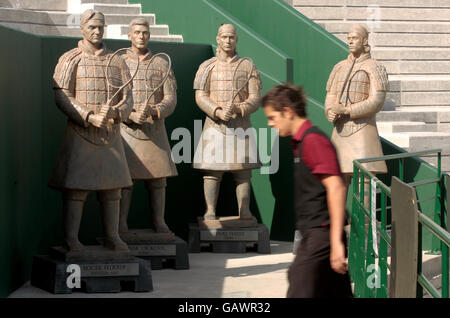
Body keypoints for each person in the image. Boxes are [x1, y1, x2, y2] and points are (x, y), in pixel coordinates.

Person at [49, 9, 133, 251]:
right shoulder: (70, 58)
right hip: (81, 132)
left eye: (100, 27)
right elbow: (62, 94)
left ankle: (112, 236)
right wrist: (87, 116)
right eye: (92, 27)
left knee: (113, 188)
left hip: (110, 134)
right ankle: (72, 239)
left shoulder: (117, 61)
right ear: (82, 28)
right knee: (77, 188)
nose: (97, 32)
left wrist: (117, 113)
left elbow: (128, 98)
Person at [262, 83, 353, 298]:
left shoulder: (313, 141)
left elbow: (336, 188)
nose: (270, 123)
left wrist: (336, 244)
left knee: (298, 286)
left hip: (321, 237)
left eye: (272, 117)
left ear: (287, 111)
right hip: (315, 235)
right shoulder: (300, 142)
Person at [193, 24, 261, 221]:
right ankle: (210, 211)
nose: (228, 40)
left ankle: (244, 211)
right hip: (215, 125)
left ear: (236, 39)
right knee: (212, 171)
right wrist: (216, 111)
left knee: (243, 171)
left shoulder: (248, 66)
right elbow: (200, 95)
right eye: (224, 37)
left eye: (231, 37)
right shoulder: (208, 66)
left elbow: (255, 97)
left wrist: (239, 109)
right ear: (218, 39)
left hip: (241, 125)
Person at [118, 18, 177, 234]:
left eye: (144, 32)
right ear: (129, 35)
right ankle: (120, 225)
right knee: (126, 180)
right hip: (128, 130)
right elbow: (114, 96)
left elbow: (171, 98)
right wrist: (131, 114)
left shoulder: (161, 64)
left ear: (149, 35)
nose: (141, 36)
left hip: (154, 130)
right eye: (137, 32)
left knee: (158, 180)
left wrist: (154, 110)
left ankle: (159, 222)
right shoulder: (120, 62)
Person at [325, 24, 388, 196]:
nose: (350, 41)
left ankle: (365, 223)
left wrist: (347, 110)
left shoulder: (375, 67)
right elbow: (331, 96)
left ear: (365, 41)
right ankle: (340, 221)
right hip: (340, 130)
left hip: (363, 129)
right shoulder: (339, 67)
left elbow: (376, 101)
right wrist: (329, 110)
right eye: (349, 38)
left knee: (364, 180)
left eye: (355, 38)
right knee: (337, 178)